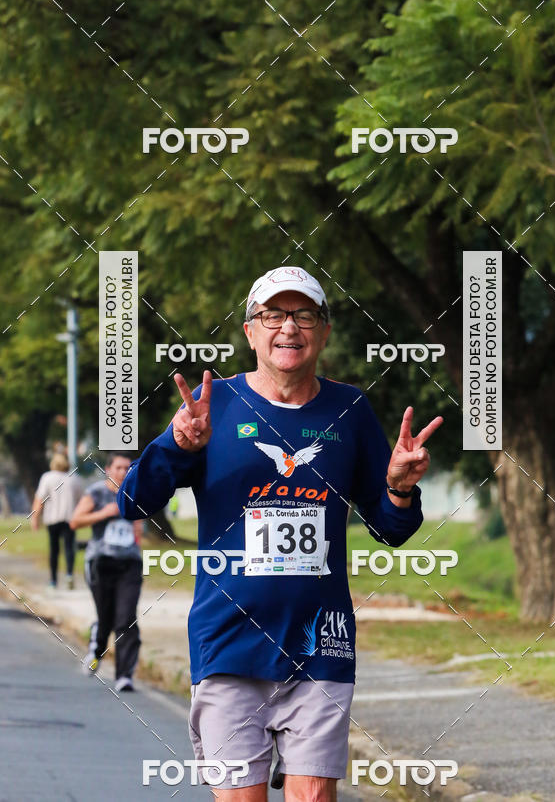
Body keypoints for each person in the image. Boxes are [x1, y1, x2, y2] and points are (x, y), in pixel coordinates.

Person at [118, 266, 443, 800]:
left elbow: (391, 530)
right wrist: (178, 448)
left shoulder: (350, 410)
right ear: (250, 331)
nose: (288, 328)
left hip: (321, 643)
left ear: (324, 330)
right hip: (228, 644)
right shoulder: (211, 405)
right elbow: (132, 502)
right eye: (273, 315)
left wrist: (399, 489)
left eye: (304, 315)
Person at [70, 451, 143, 692]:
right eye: (119, 467)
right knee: (106, 617)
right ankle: (96, 646)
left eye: (127, 468)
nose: (123, 472)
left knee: (126, 618)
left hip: (129, 564)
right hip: (101, 562)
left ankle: (124, 675)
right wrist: (105, 513)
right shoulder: (96, 492)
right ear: (108, 469)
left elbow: (138, 528)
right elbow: (75, 521)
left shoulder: (134, 493)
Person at [31, 452, 84, 590]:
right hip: (70, 518)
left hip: (52, 519)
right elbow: (82, 501)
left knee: (54, 550)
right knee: (69, 548)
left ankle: (53, 580)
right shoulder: (75, 478)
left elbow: (39, 499)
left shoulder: (47, 477)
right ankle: (69, 575)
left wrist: (35, 517)